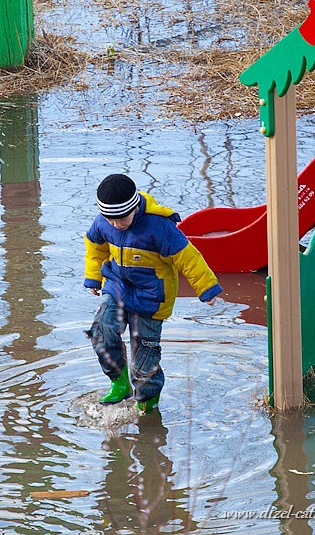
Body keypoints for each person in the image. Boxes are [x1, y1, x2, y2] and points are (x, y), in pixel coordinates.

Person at [83, 174, 222, 412]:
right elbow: (95, 246)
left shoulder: (158, 227)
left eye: (122, 218)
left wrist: (206, 287)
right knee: (101, 330)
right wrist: (94, 276)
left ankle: (148, 405)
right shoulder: (104, 222)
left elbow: (188, 258)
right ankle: (119, 381)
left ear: (135, 207)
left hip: (151, 297)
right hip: (117, 286)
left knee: (144, 358)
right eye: (110, 219)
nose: (116, 225)